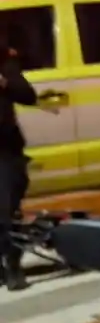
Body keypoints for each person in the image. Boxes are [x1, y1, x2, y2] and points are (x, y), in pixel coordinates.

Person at [0, 34, 37, 292]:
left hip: (5, 149)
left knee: (6, 210)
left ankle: (14, 266)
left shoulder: (5, 65)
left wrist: (4, 82)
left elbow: (27, 95)